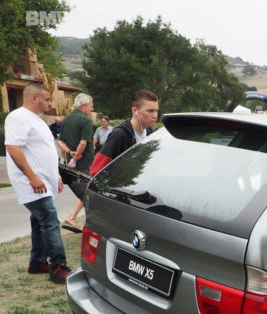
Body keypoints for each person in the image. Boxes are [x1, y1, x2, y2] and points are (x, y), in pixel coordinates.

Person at [3, 83, 71, 284]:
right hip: (31, 182)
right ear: (35, 98)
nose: (50, 103)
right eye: (47, 99)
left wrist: (55, 177)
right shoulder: (18, 117)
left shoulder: (36, 120)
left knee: (38, 221)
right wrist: (32, 177)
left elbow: (42, 151)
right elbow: (13, 148)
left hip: (43, 181)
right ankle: (58, 266)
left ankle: (37, 262)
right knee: (50, 221)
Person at [91, 90, 159, 175]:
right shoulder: (119, 134)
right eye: (150, 111)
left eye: (157, 111)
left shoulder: (150, 133)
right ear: (135, 110)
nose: (155, 115)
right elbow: (96, 170)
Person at [58, 93, 95, 230]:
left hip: (72, 163)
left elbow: (60, 141)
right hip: (84, 163)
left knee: (84, 192)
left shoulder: (66, 119)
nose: (92, 108)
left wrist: (69, 153)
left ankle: (73, 217)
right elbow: (83, 142)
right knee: (88, 192)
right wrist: (75, 158)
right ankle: (74, 218)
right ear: (83, 106)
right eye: (91, 106)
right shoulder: (86, 121)